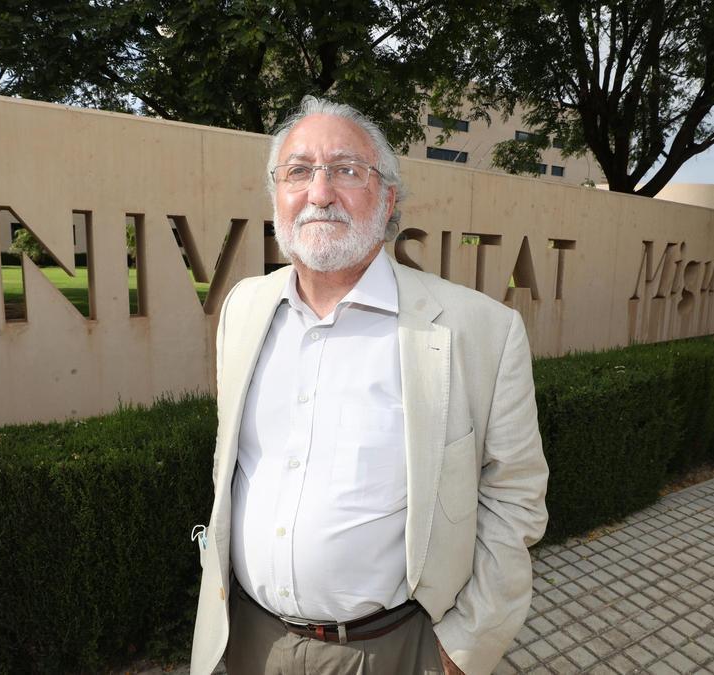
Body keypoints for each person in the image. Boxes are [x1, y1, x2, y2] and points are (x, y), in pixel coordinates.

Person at [189, 96, 549, 675]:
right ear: (276, 194)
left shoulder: (480, 330)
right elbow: (231, 464)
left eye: (347, 170)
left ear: (388, 200)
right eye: (299, 171)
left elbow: (514, 496)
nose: (320, 192)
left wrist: (465, 647)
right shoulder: (243, 309)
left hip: (393, 650)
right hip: (248, 641)